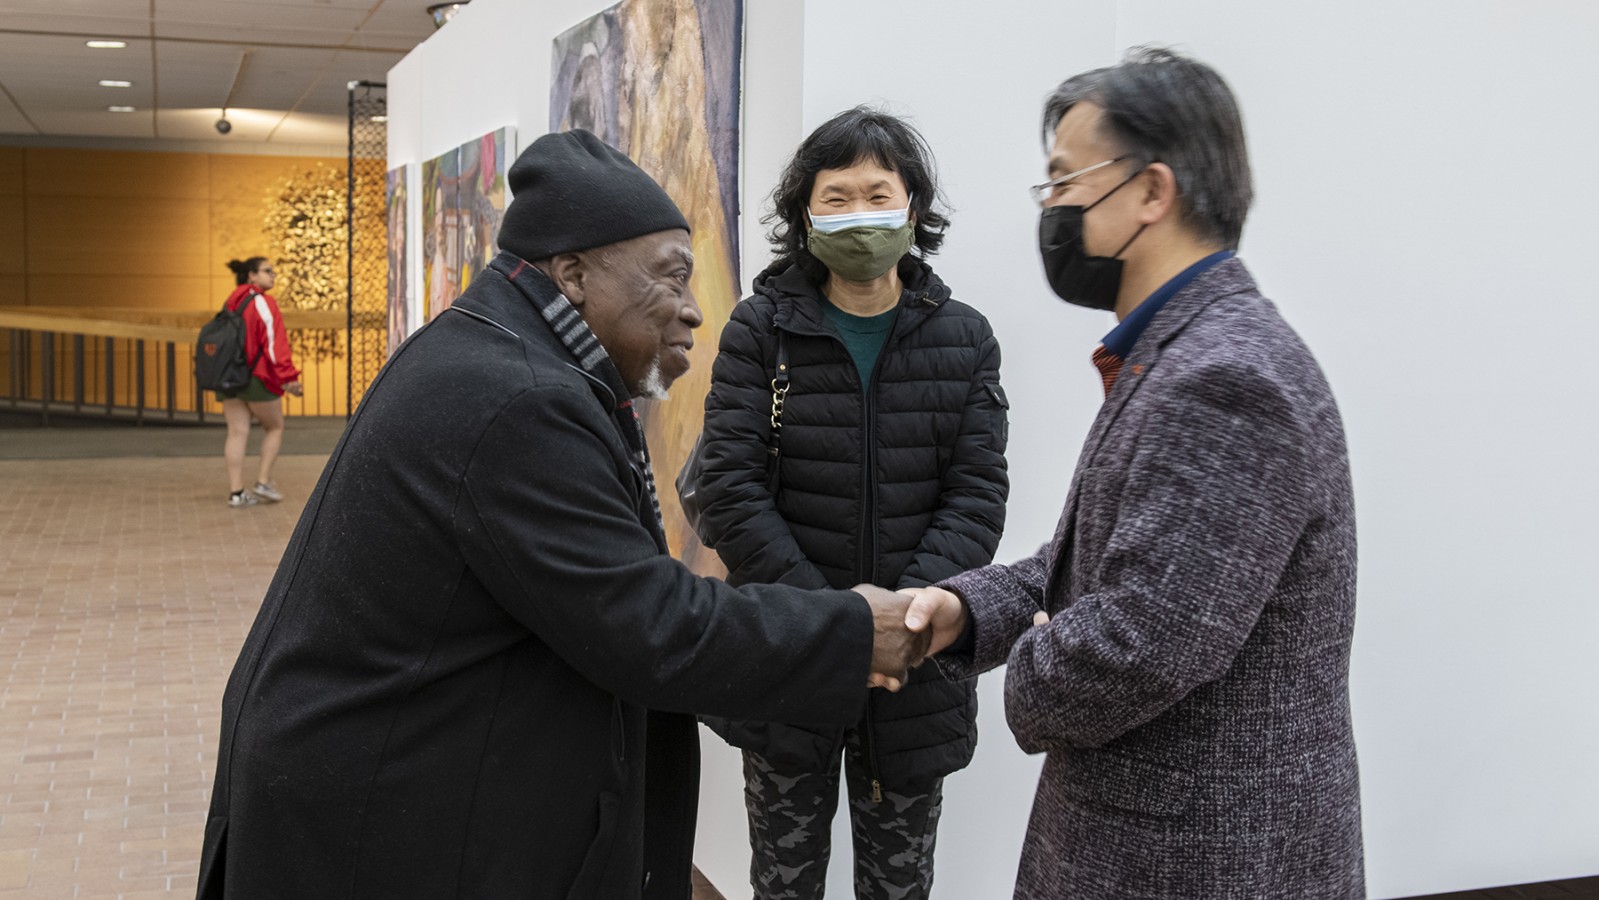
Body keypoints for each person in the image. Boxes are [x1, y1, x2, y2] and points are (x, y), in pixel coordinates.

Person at [197, 130, 930, 900]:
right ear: (575, 274)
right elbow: (647, 623)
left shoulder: (496, 351)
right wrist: (853, 630)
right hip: (377, 814)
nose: (691, 312)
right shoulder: (519, 399)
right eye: (672, 278)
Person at [901, 48, 1365, 898]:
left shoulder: (1226, 378)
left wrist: (1032, 662)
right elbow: (1090, 563)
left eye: (1064, 181)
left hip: (1194, 860)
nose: (1052, 209)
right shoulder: (1173, 355)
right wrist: (964, 611)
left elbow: (1141, 641)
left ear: (1151, 192)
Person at [692, 107, 1009, 899]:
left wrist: (898, 626)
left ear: (913, 207)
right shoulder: (759, 331)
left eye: (877, 193)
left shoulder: (964, 339)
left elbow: (975, 498)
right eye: (835, 197)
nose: (858, 214)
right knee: (783, 881)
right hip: (787, 656)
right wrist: (836, 628)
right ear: (804, 213)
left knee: (899, 887)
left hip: (916, 669)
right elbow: (729, 492)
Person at [216, 257, 302, 508]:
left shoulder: (231, 302)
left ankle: (236, 492)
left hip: (230, 377)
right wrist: (288, 378)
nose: (273, 275)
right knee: (274, 427)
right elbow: (274, 345)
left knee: (236, 432)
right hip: (257, 377)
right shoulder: (263, 303)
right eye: (267, 271)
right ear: (252, 276)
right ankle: (263, 481)